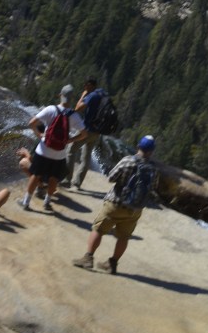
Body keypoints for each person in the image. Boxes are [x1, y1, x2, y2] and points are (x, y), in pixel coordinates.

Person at [72, 136, 157, 275]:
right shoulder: (153, 169)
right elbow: (152, 187)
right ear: (151, 151)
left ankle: (88, 258)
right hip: (135, 209)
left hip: (115, 203)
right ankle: (112, 264)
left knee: (98, 230)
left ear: (138, 146)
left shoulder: (128, 160)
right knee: (124, 237)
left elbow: (111, 177)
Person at [19, 85, 87, 213]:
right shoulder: (74, 116)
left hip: (44, 148)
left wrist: (40, 135)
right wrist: (70, 140)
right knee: (54, 178)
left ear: (60, 95)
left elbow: (31, 123)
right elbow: (84, 134)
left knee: (35, 174)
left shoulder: (51, 109)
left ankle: (26, 202)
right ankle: (47, 203)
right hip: (60, 152)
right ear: (72, 99)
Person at [68, 77, 109, 190]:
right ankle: (77, 183)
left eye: (85, 85)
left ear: (90, 85)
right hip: (97, 131)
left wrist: (83, 95)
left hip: (87, 129)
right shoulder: (103, 94)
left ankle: (66, 179)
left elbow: (77, 108)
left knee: (71, 150)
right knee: (86, 157)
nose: (84, 87)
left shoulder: (92, 95)